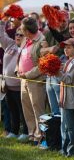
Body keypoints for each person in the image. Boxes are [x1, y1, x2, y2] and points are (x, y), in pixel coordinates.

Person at [17, 17, 46, 145]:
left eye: (23, 30)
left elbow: (42, 64)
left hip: (36, 80)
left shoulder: (42, 40)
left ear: (28, 30)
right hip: (23, 80)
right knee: (27, 108)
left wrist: (27, 74)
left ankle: (40, 136)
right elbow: (21, 56)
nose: (22, 33)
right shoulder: (25, 40)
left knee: (37, 109)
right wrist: (18, 69)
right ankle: (32, 134)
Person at [0, 22, 28, 140]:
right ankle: (14, 131)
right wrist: (1, 25)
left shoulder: (26, 48)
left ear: (26, 36)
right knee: (12, 110)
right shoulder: (10, 44)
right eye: (16, 34)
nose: (17, 36)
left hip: (19, 86)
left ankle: (26, 133)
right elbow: (1, 36)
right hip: (7, 85)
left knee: (23, 112)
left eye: (21, 35)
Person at [57, 38, 74, 157]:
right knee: (69, 126)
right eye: (65, 47)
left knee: (73, 126)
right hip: (67, 98)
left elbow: (68, 79)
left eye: (69, 47)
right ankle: (69, 149)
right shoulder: (68, 62)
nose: (66, 49)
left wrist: (56, 72)